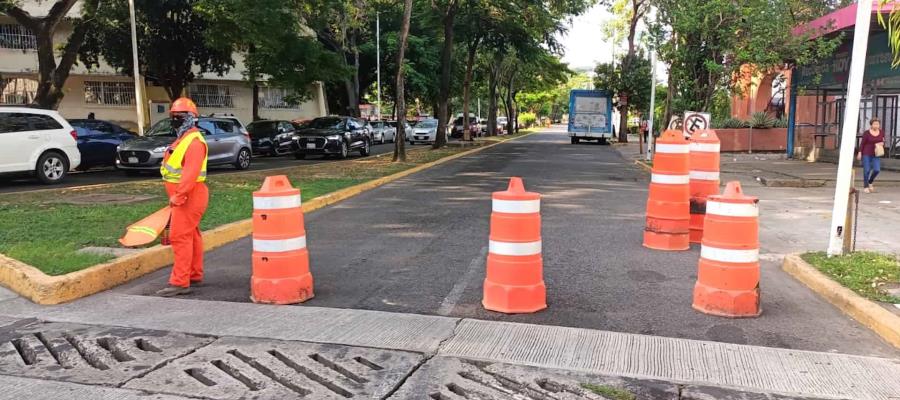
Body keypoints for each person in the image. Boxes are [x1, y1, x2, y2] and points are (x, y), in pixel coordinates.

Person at [155, 97, 209, 297]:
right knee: (191, 235)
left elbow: (190, 173)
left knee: (179, 236)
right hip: (187, 194)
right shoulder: (184, 139)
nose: (175, 119)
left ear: (191, 118)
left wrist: (179, 196)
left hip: (189, 195)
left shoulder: (193, 142)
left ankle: (179, 282)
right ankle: (193, 274)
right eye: (173, 116)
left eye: (180, 116)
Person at [857, 118, 885, 194]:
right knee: (867, 170)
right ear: (871, 125)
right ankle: (866, 186)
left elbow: (883, 142)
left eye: (878, 124)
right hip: (866, 153)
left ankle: (870, 181)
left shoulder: (881, 132)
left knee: (877, 170)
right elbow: (862, 143)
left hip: (876, 154)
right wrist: (860, 152)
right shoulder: (866, 133)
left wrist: (881, 144)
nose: (876, 125)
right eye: (875, 124)